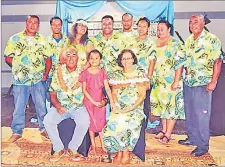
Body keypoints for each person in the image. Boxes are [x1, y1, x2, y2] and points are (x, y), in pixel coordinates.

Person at [178, 14, 222, 156]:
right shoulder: (189, 40)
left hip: (203, 83)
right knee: (190, 113)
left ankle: (203, 146)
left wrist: (213, 81)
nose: (192, 24)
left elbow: (217, 61)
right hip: (189, 82)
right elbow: (185, 61)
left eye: (196, 22)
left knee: (201, 115)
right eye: (190, 22)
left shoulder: (212, 39)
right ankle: (192, 138)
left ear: (203, 23)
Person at [4, 15, 52, 143]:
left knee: (41, 106)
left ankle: (44, 129)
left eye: (35, 23)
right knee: (19, 106)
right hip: (20, 81)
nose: (32, 25)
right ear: (26, 23)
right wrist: (18, 68)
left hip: (38, 79)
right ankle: (17, 131)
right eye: (30, 22)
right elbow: (8, 57)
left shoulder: (43, 40)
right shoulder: (15, 39)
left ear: (38, 25)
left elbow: (48, 59)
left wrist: (46, 74)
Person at [43, 48, 90, 162]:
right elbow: (52, 93)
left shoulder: (83, 72)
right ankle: (58, 148)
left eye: (74, 55)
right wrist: (58, 106)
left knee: (85, 122)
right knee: (47, 121)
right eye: (68, 55)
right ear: (64, 58)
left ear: (77, 58)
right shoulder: (58, 71)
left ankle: (73, 148)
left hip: (78, 107)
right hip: (61, 107)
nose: (71, 58)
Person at [103, 49, 149, 165]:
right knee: (114, 120)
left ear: (133, 59)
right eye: (124, 59)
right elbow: (113, 93)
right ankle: (120, 150)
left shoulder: (139, 73)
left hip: (135, 108)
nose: (126, 61)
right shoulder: (116, 74)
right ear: (120, 61)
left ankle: (126, 152)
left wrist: (130, 108)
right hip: (119, 106)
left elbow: (142, 96)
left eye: (129, 58)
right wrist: (115, 104)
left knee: (124, 120)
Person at [150, 20, 186, 144]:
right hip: (158, 83)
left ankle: (168, 134)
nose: (159, 31)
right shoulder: (155, 43)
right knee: (162, 107)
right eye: (158, 29)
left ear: (169, 29)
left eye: (162, 29)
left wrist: (176, 81)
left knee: (171, 108)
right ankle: (164, 130)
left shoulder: (176, 43)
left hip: (171, 82)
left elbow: (179, 64)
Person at [79, 49, 115, 155]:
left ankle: (103, 145)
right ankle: (93, 145)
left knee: (101, 123)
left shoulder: (102, 72)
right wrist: (93, 102)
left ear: (100, 60)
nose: (94, 60)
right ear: (88, 60)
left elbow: (107, 88)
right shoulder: (85, 73)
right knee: (91, 124)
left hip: (100, 102)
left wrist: (111, 102)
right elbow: (84, 90)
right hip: (89, 102)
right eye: (91, 58)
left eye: (96, 58)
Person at [46, 16, 68, 103]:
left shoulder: (68, 40)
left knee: (63, 98)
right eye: (54, 25)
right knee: (49, 98)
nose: (56, 27)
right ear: (51, 26)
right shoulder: (45, 41)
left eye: (59, 25)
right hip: (50, 75)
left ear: (61, 26)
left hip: (64, 74)